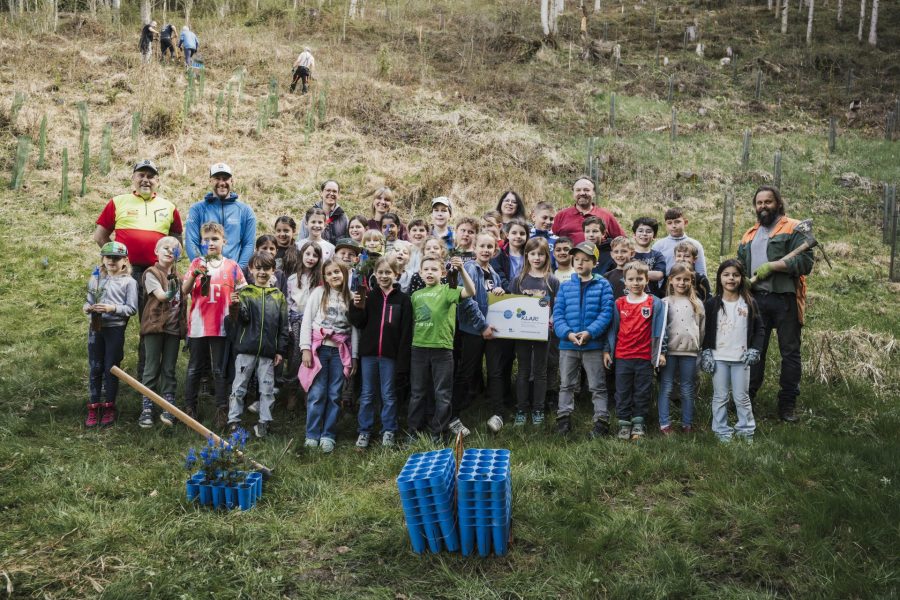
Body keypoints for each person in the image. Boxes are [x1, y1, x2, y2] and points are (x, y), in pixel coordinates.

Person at [93, 159, 183, 381]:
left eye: (151, 176)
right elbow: (100, 235)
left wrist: (169, 266)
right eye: (141, 175)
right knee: (115, 323)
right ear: (133, 178)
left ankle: (145, 378)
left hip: (155, 274)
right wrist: (116, 260)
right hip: (124, 274)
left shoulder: (169, 207)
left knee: (150, 323)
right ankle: (111, 373)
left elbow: (177, 241)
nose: (146, 179)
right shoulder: (117, 202)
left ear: (158, 181)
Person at [736, 186, 814, 423]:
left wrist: (774, 266)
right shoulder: (749, 234)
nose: (763, 206)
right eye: (759, 203)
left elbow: (805, 262)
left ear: (778, 203)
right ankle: (747, 400)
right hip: (756, 300)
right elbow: (740, 264)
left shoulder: (794, 228)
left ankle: (787, 405)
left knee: (790, 353)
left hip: (785, 299)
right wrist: (741, 280)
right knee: (754, 351)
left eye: (768, 202)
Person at [182, 222, 246, 428]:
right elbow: (184, 291)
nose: (210, 243)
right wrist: (194, 274)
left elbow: (244, 292)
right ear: (201, 242)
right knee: (194, 368)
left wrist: (237, 300)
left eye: (215, 239)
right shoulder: (196, 263)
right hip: (199, 324)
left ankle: (221, 409)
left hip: (221, 325)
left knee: (219, 369)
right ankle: (189, 408)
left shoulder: (232, 266)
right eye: (207, 239)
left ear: (224, 242)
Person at [408, 254, 476, 439]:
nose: (430, 273)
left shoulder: (448, 290)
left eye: (434, 269)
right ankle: (413, 431)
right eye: (426, 270)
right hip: (419, 348)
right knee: (417, 393)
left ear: (443, 272)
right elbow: (413, 320)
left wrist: (461, 270)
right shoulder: (415, 295)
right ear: (420, 273)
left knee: (442, 393)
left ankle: (437, 432)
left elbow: (470, 291)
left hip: (442, 349)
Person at [349, 256, 413, 449]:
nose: (384, 276)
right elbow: (358, 322)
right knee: (367, 394)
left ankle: (389, 430)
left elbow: (406, 332)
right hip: (369, 354)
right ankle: (364, 431)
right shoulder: (369, 296)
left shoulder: (403, 300)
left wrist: (403, 360)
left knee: (388, 394)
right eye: (381, 272)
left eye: (388, 272)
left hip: (390, 356)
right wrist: (355, 306)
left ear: (397, 274)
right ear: (374, 274)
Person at [553, 242, 614, 437]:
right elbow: (558, 314)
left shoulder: (603, 284)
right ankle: (563, 419)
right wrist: (568, 334)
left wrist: (589, 332)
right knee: (566, 384)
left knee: (597, 385)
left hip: (593, 345)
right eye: (577, 259)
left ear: (595, 263)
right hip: (568, 344)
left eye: (585, 260)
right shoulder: (565, 286)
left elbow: (606, 313)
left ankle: (601, 421)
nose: (580, 263)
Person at [226, 251, 289, 438]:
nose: (262, 272)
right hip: (246, 349)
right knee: (239, 387)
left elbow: (283, 326)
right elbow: (240, 320)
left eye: (266, 268)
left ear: (273, 271)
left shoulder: (278, 297)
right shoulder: (244, 292)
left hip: (268, 352)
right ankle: (234, 421)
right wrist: (235, 307)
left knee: (267, 389)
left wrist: (280, 350)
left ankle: (264, 422)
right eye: (258, 268)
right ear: (251, 270)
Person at [700, 259, 765, 442]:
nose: (731, 278)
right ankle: (721, 431)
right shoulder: (712, 304)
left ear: (741, 278)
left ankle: (745, 430)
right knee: (720, 396)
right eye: (726, 274)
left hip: (741, 359)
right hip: (718, 358)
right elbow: (705, 331)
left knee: (741, 397)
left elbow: (760, 329)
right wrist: (706, 352)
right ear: (720, 278)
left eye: (735, 275)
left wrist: (755, 350)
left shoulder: (749, 303)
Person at [603, 261, 668, 441]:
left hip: (645, 356)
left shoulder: (654, 302)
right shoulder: (619, 303)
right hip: (623, 356)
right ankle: (624, 423)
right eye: (631, 279)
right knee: (622, 391)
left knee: (642, 391)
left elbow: (662, 330)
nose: (636, 282)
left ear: (647, 280)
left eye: (640, 279)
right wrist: (607, 350)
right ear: (625, 281)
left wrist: (661, 352)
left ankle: (638, 423)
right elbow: (611, 329)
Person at [299, 259, 359, 453]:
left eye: (338, 272)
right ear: (324, 277)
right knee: (317, 394)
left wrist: (355, 356)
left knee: (334, 394)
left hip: (340, 352)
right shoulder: (319, 293)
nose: (335, 276)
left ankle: (328, 435)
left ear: (344, 273)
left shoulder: (351, 297)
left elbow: (355, 329)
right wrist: (305, 348)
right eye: (330, 273)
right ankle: (312, 434)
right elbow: (307, 320)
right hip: (320, 349)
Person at [452, 233, 504, 437]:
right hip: (473, 331)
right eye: (482, 246)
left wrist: (499, 290)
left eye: (489, 247)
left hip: (492, 331)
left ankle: (498, 413)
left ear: (495, 250)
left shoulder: (494, 273)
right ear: (474, 249)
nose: (485, 250)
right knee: (467, 372)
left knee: (495, 371)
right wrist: (482, 326)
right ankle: (453, 415)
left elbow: (494, 300)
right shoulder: (469, 269)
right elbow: (466, 300)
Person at [83, 242, 138, 428]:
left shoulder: (129, 282)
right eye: (108, 258)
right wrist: (88, 308)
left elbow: (131, 309)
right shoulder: (96, 278)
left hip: (115, 329)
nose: (112, 261)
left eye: (116, 258)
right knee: (95, 367)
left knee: (111, 367)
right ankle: (93, 405)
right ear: (103, 259)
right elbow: (88, 301)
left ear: (125, 260)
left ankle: (109, 406)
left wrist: (111, 308)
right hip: (96, 328)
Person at [511, 238, 559, 427]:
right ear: (527, 256)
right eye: (532, 254)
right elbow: (512, 305)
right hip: (522, 334)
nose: (536, 257)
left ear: (547, 256)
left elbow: (558, 307)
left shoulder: (552, 281)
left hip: (543, 334)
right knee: (523, 371)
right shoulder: (519, 280)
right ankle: (521, 408)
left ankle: (538, 409)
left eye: (540, 254)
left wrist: (551, 320)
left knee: (540, 372)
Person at [139, 236, 186, 428]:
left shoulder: (180, 277)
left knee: (169, 369)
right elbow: (161, 296)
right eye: (165, 248)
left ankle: (168, 407)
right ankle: (147, 407)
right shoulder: (151, 273)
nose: (169, 251)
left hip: (174, 329)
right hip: (154, 328)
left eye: (174, 249)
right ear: (156, 252)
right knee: (151, 368)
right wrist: (171, 292)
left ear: (178, 256)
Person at [656, 263, 704, 435]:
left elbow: (701, 328)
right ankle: (664, 424)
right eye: (678, 279)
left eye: (686, 279)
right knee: (666, 387)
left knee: (687, 388)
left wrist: (698, 347)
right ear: (670, 280)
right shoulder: (664, 303)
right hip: (668, 352)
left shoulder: (697, 304)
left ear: (691, 281)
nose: (682, 283)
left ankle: (687, 424)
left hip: (690, 353)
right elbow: (659, 329)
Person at [185, 163, 257, 268]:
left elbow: (249, 244)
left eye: (225, 179)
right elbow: (191, 242)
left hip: (234, 273)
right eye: (217, 178)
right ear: (210, 181)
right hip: (205, 273)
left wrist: (238, 270)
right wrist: (202, 268)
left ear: (232, 181)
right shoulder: (197, 209)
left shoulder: (245, 211)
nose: (222, 183)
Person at [285, 242, 323, 411]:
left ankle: (309, 393)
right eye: (308, 254)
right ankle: (292, 393)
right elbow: (287, 303)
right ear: (302, 255)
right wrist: (288, 325)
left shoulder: (321, 280)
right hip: (296, 322)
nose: (311, 258)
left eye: (315, 255)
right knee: (295, 358)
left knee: (312, 358)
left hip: (315, 323)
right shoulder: (293, 279)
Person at [553, 177, 625, 245]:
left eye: (586, 190)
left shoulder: (606, 215)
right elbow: (550, 240)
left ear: (594, 193)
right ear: (573, 193)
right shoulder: (561, 216)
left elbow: (622, 241)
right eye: (578, 190)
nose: (582, 193)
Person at [652, 207, 708, 276]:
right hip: (664, 285)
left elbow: (701, 272)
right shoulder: (658, 245)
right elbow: (654, 271)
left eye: (677, 222)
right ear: (665, 225)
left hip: (689, 283)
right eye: (669, 223)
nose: (673, 226)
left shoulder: (695, 245)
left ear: (685, 222)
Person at [631, 217, 667, 297]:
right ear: (634, 235)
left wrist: (632, 272)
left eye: (648, 231)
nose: (644, 234)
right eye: (640, 231)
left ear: (654, 236)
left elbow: (659, 275)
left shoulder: (657, 255)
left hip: (651, 297)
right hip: (630, 296)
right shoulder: (628, 254)